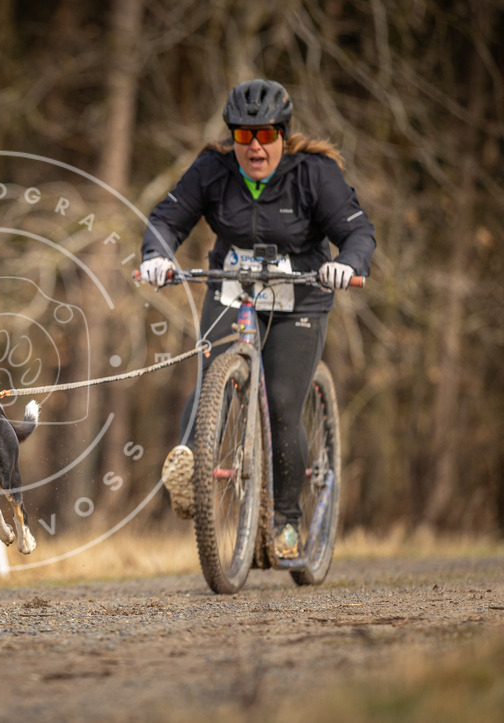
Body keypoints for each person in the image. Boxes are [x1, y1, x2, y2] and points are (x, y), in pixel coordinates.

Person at [140, 79, 375, 558]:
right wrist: (156, 256)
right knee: (214, 380)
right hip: (233, 288)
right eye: (244, 136)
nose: (255, 147)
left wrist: (347, 264)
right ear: (233, 137)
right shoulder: (213, 169)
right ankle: (191, 467)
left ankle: (286, 520)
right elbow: (166, 220)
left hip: (300, 299)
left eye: (266, 136)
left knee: (284, 403)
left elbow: (357, 232)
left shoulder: (314, 174)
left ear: (282, 136)